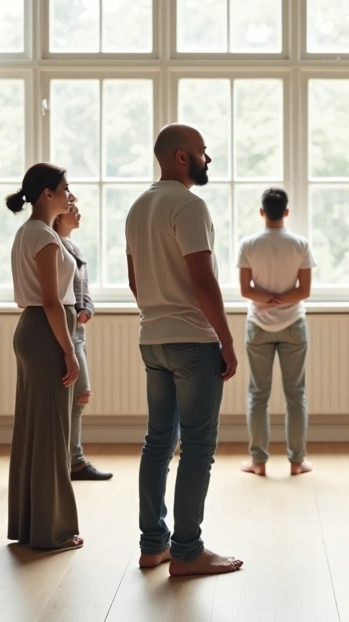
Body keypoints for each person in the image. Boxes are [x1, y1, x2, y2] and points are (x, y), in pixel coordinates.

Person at [126, 123, 243, 576]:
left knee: (158, 442)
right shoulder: (189, 206)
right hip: (193, 341)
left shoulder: (139, 207)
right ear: (180, 156)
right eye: (202, 151)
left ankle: (153, 546)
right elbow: (203, 281)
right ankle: (188, 552)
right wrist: (227, 340)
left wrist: (159, 314)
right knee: (197, 447)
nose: (207, 158)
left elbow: (136, 282)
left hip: (151, 338)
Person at [5, 163, 82, 551]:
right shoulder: (45, 237)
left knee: (34, 432)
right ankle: (51, 531)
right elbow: (52, 300)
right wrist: (69, 350)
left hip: (32, 329)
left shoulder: (29, 232)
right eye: (65, 188)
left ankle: (30, 524)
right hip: (47, 332)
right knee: (52, 434)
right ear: (46, 195)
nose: (70, 195)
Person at [237, 187, 316, 477]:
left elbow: (246, 289)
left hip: (258, 325)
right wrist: (282, 299)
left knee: (258, 394)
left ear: (262, 212)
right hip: (293, 324)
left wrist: (267, 298)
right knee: (296, 395)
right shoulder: (300, 244)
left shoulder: (248, 244)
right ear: (286, 212)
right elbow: (304, 290)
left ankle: (258, 462)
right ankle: (297, 462)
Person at [53, 202, 113, 481]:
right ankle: (72, 461)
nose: (77, 211)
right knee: (81, 394)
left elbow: (83, 290)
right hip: (67, 330)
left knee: (79, 397)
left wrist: (87, 309)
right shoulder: (54, 246)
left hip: (79, 329)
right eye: (72, 207)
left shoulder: (74, 248)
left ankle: (72, 460)